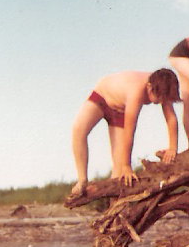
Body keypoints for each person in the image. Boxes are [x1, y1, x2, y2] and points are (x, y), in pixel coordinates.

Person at [70, 68, 179, 196]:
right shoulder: (137, 91)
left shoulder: (162, 84)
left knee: (119, 173)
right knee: (78, 129)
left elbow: (171, 118)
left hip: (119, 111)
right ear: (149, 88)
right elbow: (130, 130)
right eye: (159, 99)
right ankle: (82, 179)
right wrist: (127, 165)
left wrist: (172, 147)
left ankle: (114, 209)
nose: (161, 102)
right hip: (102, 98)